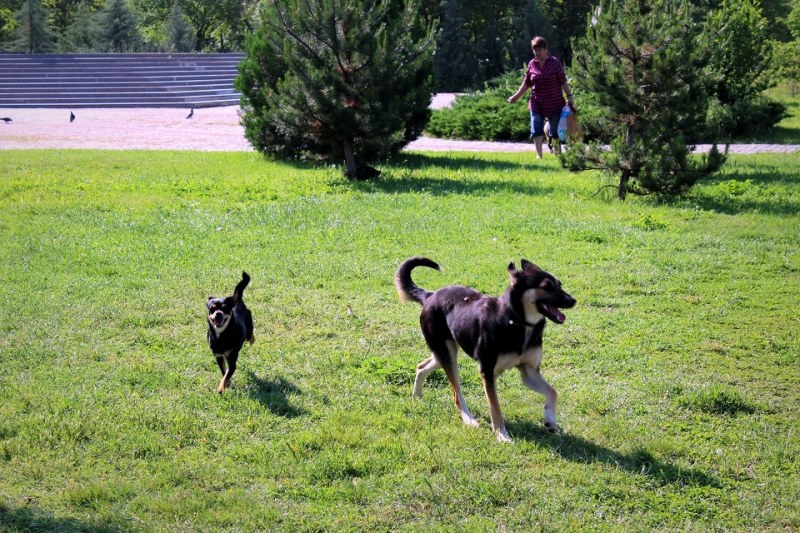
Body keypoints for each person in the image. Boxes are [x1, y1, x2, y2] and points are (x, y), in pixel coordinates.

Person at [508, 36, 574, 159]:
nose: (537, 53)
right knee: (536, 127)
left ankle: (557, 153)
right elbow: (527, 83)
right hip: (536, 102)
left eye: (540, 50)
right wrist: (516, 96)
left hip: (554, 102)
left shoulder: (555, 63)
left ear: (546, 49)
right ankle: (539, 155)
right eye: (535, 50)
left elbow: (563, 81)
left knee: (554, 131)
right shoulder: (532, 64)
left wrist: (570, 97)